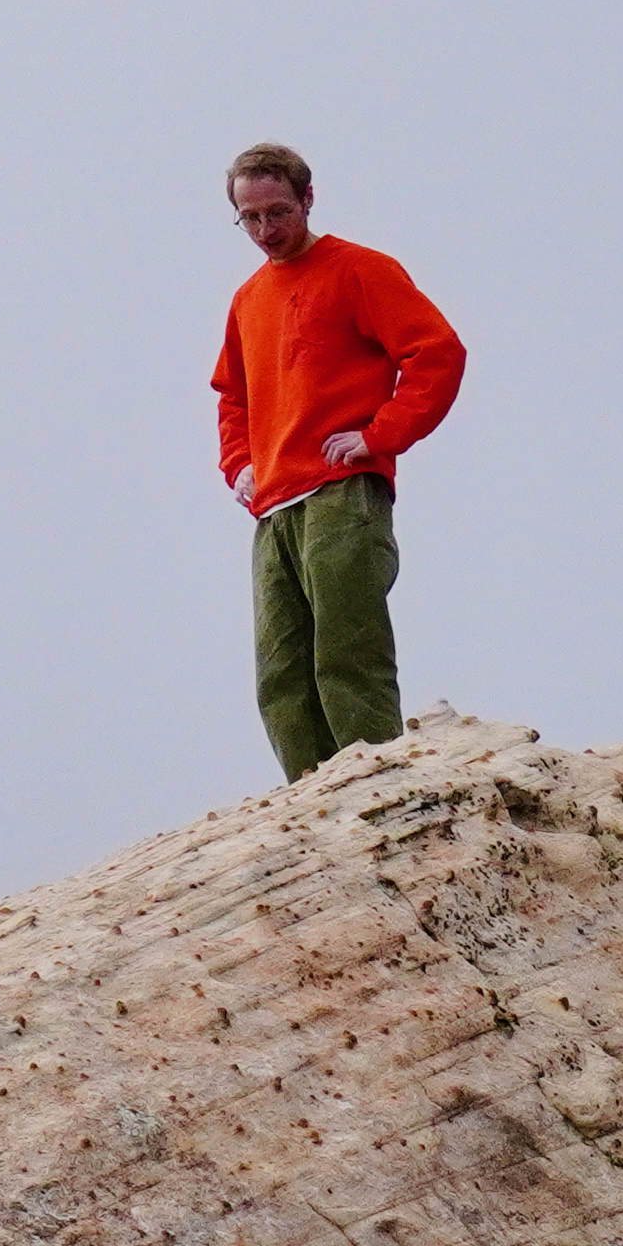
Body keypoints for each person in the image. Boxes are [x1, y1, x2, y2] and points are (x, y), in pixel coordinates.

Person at [209, 142, 463, 781]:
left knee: (347, 651)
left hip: (342, 493)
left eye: (278, 212)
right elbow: (232, 395)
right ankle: (314, 801)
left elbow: (436, 352)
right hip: (274, 506)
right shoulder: (247, 299)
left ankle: (383, 791)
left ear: (308, 199)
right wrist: (239, 464)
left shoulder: (360, 269)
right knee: (281, 673)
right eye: (250, 218)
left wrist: (380, 435)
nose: (266, 230)